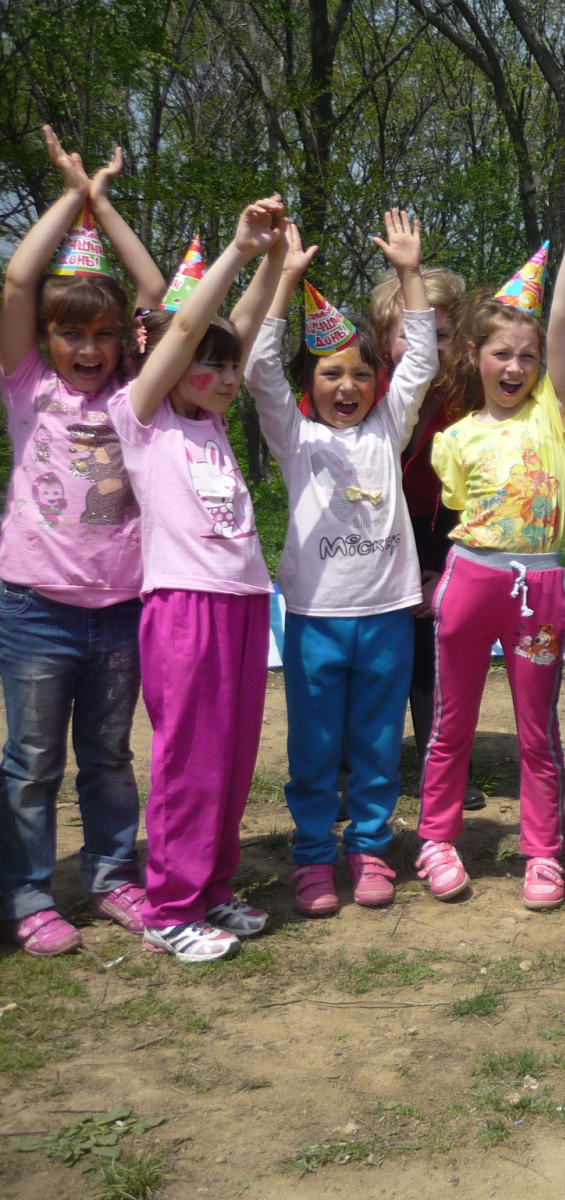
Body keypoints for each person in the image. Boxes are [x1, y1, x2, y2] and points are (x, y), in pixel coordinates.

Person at [239, 211, 438, 916]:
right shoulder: (294, 437)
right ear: (309, 383)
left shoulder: (389, 427)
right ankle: (315, 857)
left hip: (386, 616)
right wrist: (285, 276)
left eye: (360, 373)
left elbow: (421, 363)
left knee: (380, 746)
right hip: (317, 620)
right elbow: (258, 368)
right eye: (331, 373)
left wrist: (409, 274)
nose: (347, 385)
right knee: (316, 747)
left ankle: (372, 849)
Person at [0, 127, 166, 955]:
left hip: (124, 607)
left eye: (103, 334)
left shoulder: (140, 390)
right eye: (71, 334)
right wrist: (73, 191)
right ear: (46, 339)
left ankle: (109, 878)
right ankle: (30, 895)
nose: (89, 349)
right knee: (31, 765)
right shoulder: (24, 380)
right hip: (34, 607)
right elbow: (21, 276)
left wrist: (106, 204)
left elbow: (156, 289)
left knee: (108, 757)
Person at [109, 195, 285, 963]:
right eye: (201, 364)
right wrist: (241, 251)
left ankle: (210, 887)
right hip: (184, 607)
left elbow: (228, 331)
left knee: (234, 754)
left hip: (246, 604)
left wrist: (277, 265)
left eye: (228, 366)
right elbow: (188, 330)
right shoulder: (141, 417)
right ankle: (168, 906)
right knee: (189, 759)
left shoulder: (209, 418)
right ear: (165, 365)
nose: (218, 374)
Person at [415, 177, 565, 909]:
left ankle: (543, 851)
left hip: (540, 589)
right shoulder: (453, 439)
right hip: (470, 581)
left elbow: (560, 321)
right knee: (449, 722)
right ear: (475, 355)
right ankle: (435, 839)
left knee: (536, 729)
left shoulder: (552, 416)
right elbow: (457, 510)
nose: (516, 367)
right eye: (501, 354)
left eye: (526, 356)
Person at [370, 257, 487, 811]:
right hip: (370, 529)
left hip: (443, 529)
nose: (425, 345)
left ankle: (442, 764)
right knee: (369, 646)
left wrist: (451, 563)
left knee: (434, 644)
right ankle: (356, 763)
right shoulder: (361, 387)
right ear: (381, 336)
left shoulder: (470, 397)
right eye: (409, 332)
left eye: (439, 334)